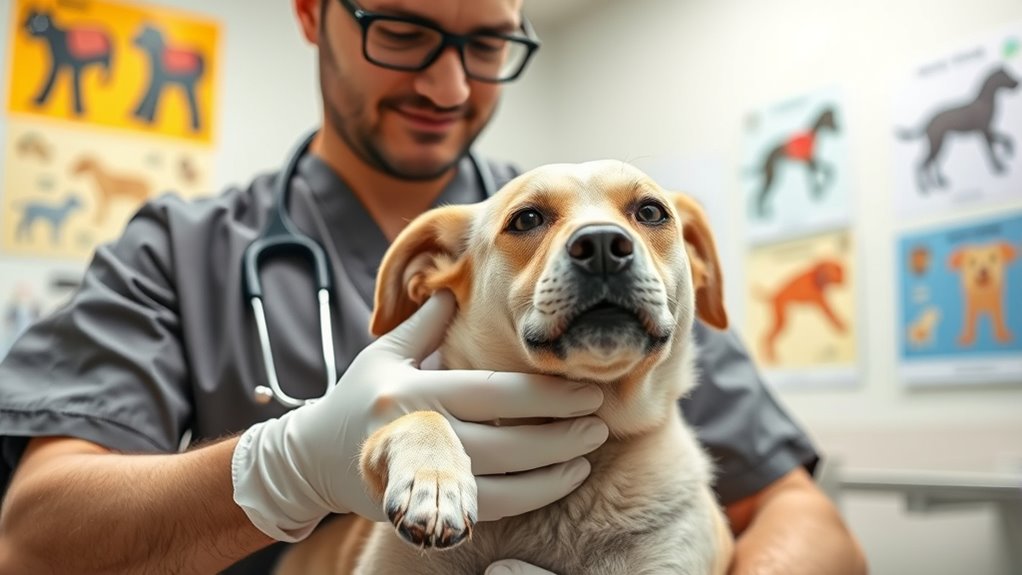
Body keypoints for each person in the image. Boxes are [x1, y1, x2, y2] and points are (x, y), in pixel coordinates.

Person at [0, 0, 867, 573]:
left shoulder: (619, 252)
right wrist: (284, 469)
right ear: (312, 12)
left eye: (488, 42)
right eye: (404, 31)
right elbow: (31, 541)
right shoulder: (175, 251)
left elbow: (808, 519)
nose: (448, 85)